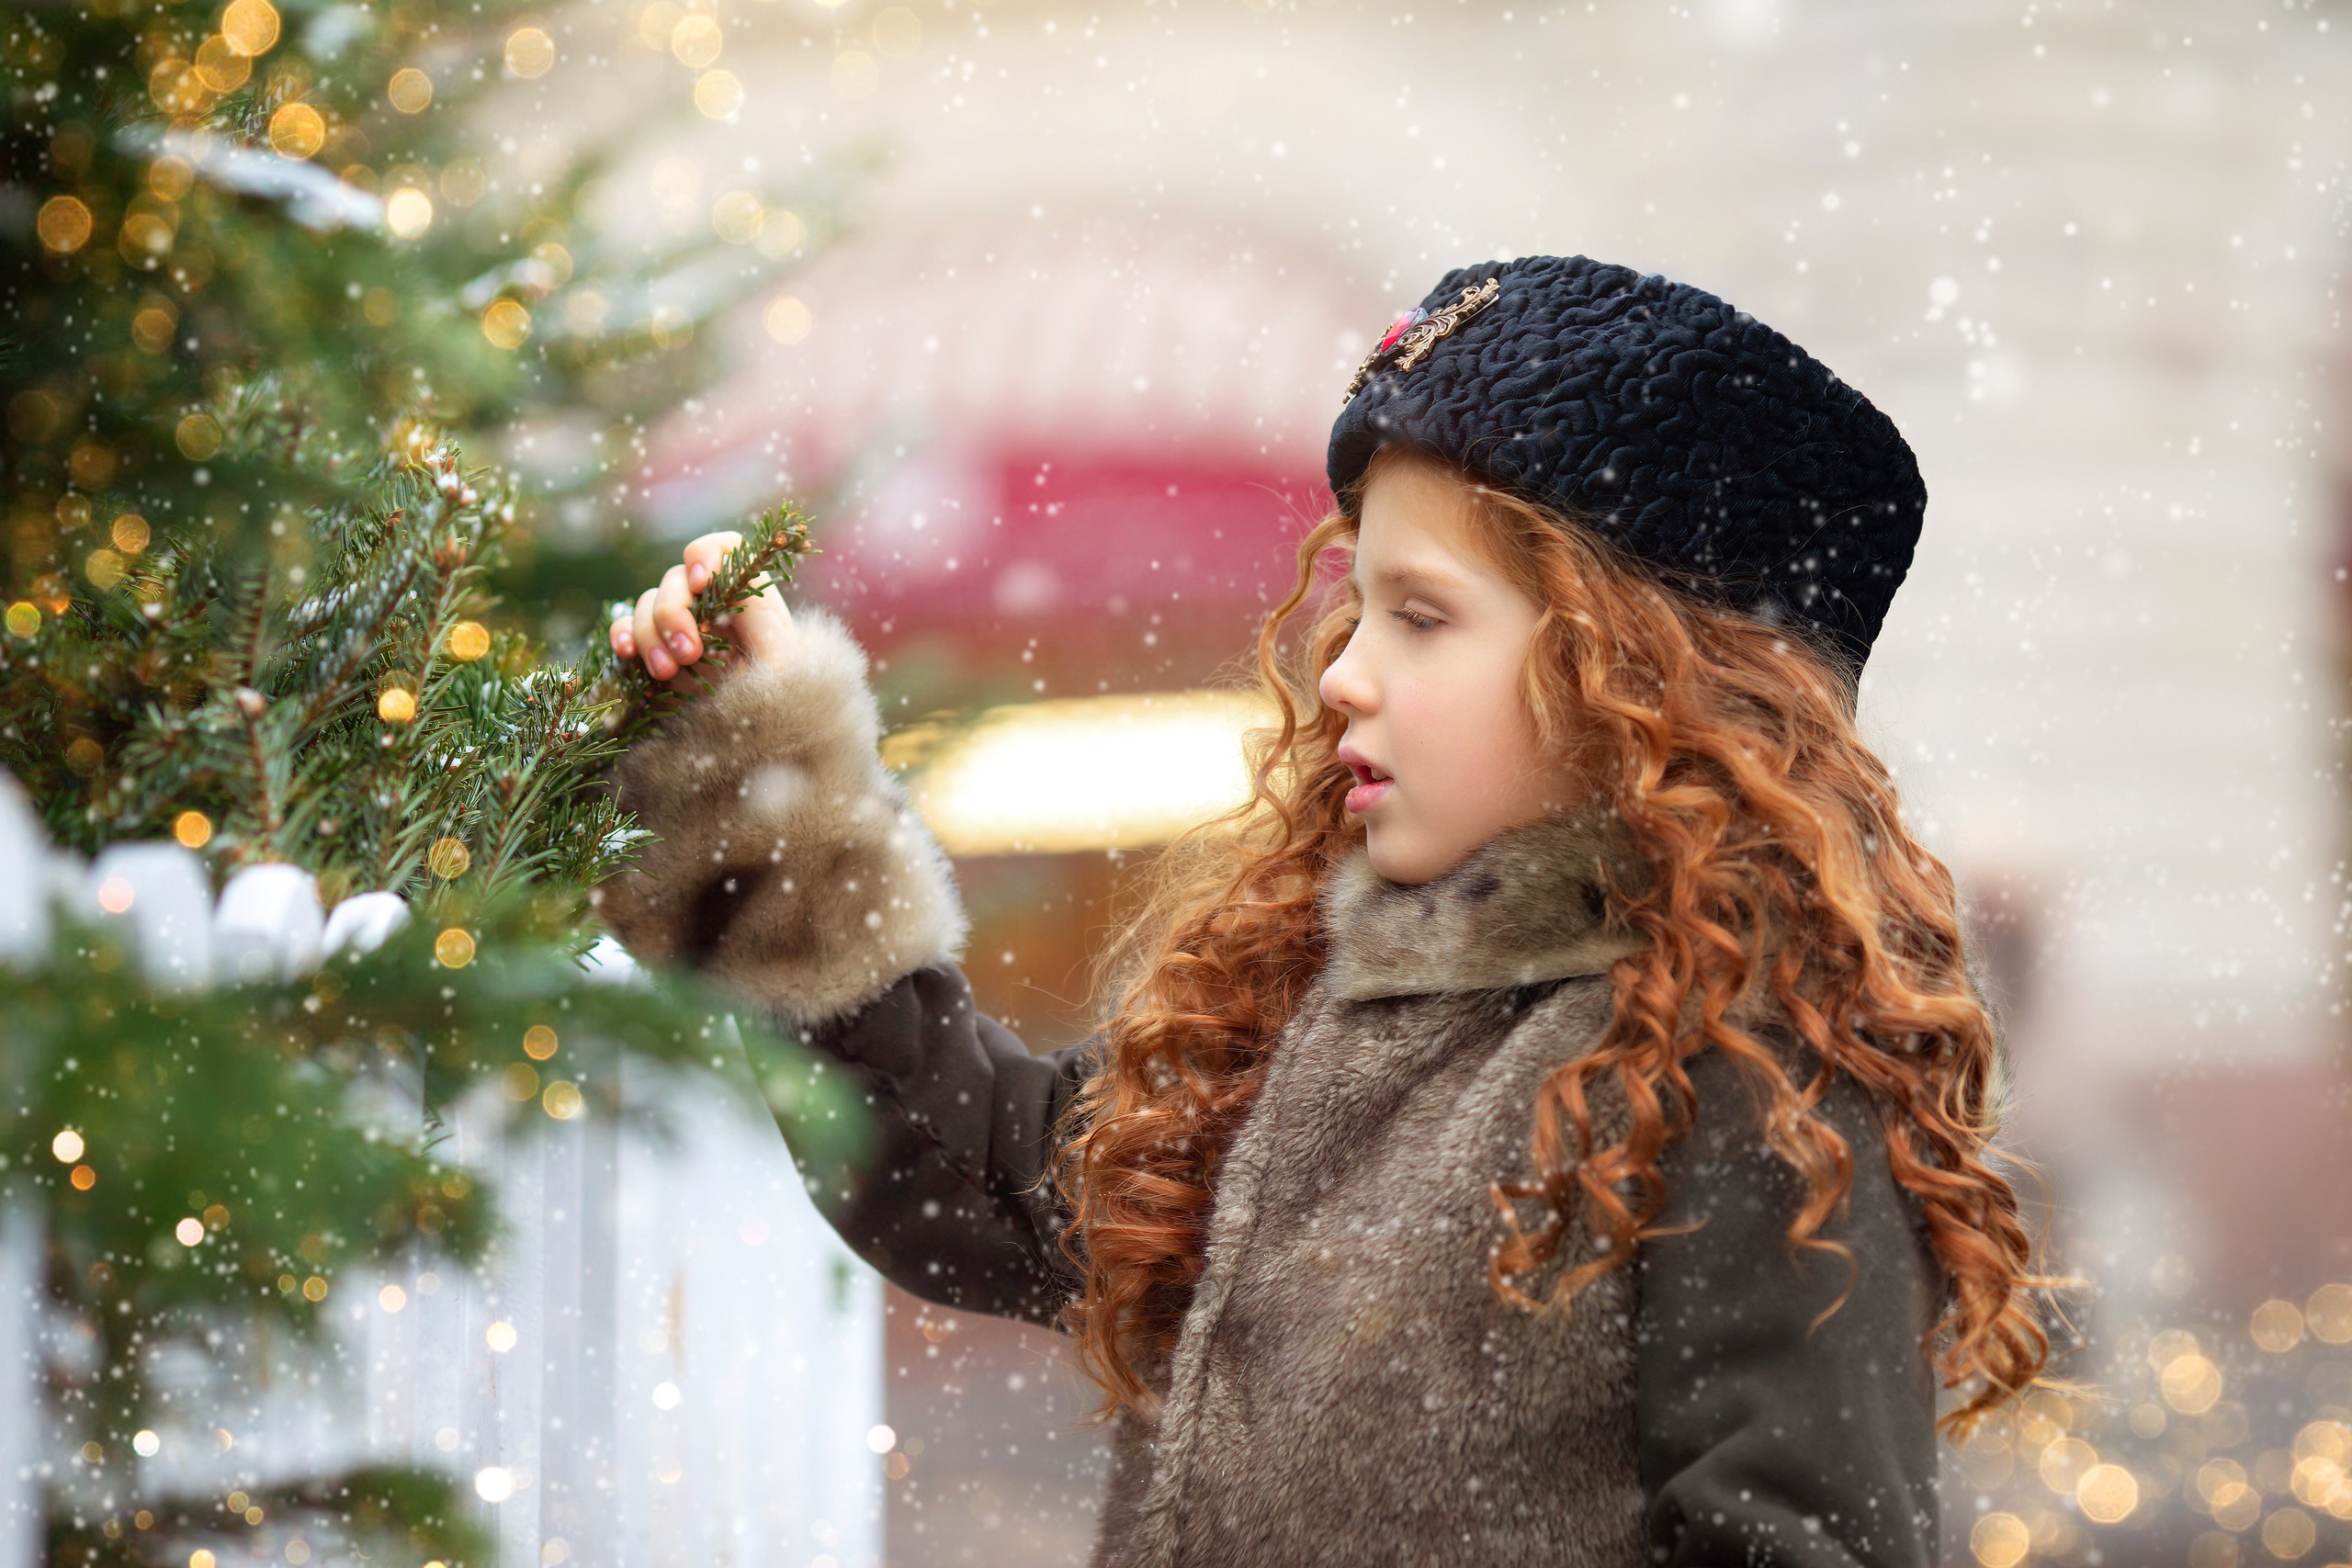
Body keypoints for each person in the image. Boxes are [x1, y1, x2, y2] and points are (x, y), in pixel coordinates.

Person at [594, 254, 2049, 1568]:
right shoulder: (1308, 1014)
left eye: (1421, 618)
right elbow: (965, 1178)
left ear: (1639, 680)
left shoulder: (1742, 1076)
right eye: (1356, 608)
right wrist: (762, 776)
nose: (1343, 671)